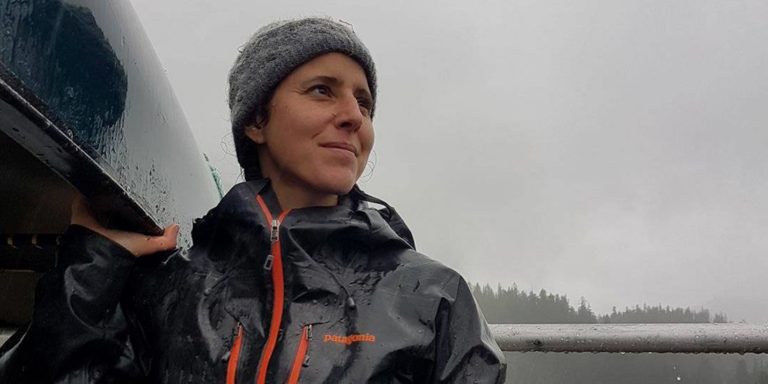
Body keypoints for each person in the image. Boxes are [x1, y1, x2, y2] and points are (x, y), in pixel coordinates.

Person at [0, 17, 506, 383]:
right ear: (256, 122)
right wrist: (92, 263)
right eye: (323, 91)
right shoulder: (169, 286)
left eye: (364, 102)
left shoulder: (432, 297)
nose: (354, 116)